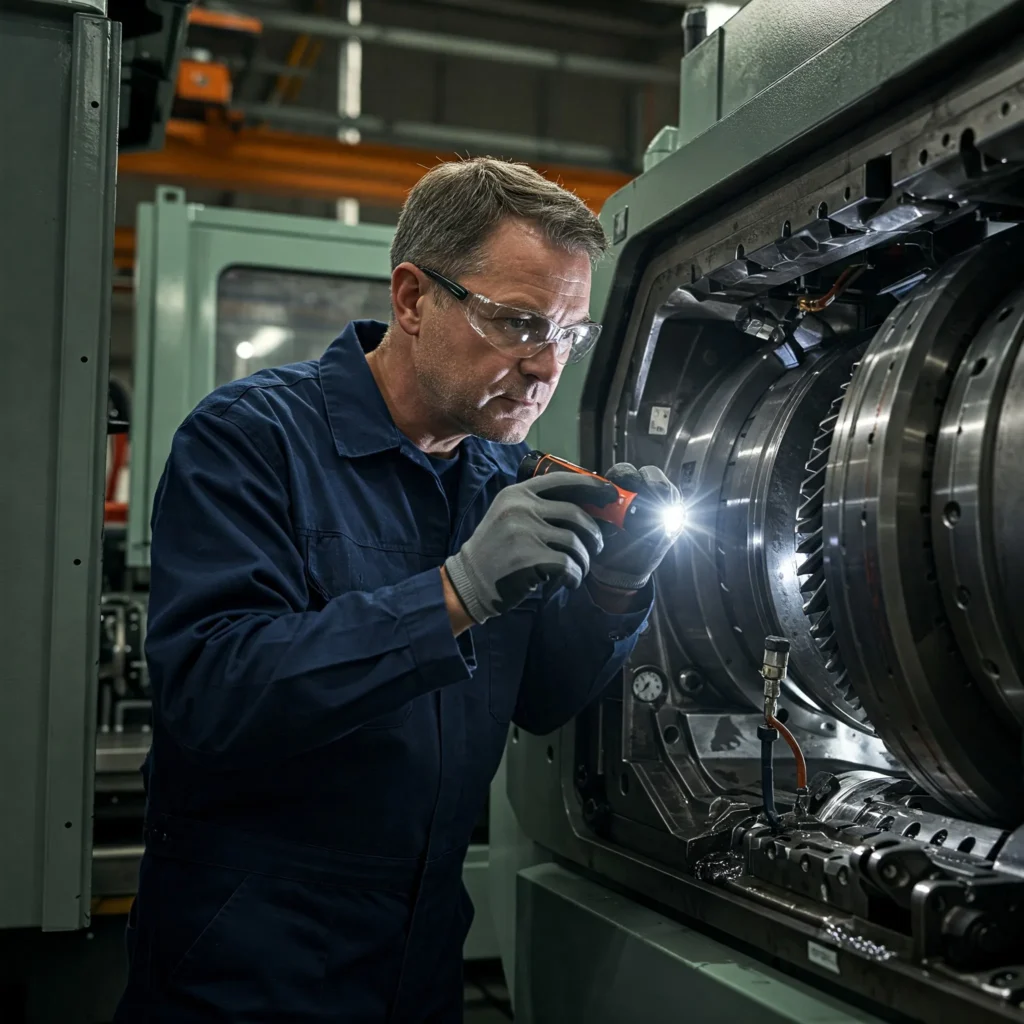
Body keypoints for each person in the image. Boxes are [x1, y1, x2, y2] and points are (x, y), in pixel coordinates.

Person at [115, 157, 680, 1023]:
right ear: (413, 299)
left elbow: (538, 698)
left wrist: (615, 585)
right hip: (248, 963)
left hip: (419, 959)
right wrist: (454, 593)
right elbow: (211, 692)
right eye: (519, 322)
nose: (545, 366)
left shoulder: (501, 479)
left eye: (570, 334)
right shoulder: (250, 440)